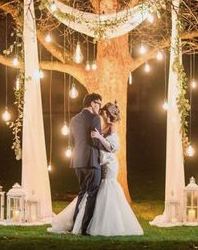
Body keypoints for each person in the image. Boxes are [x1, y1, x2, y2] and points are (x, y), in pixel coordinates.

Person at [47, 102, 143, 237]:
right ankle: (85, 222)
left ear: (107, 114)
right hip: (101, 161)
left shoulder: (111, 126)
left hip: (109, 163)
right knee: (96, 189)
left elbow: (112, 147)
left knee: (107, 187)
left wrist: (99, 137)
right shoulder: (101, 125)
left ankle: (105, 223)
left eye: (102, 112)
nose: (100, 114)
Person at [69, 93, 106, 235]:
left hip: (77, 161)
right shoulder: (95, 118)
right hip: (91, 161)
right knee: (92, 195)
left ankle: (74, 225)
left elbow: (70, 142)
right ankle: (84, 228)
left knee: (82, 192)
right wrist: (106, 146)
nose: (100, 107)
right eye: (99, 103)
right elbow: (95, 141)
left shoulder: (73, 119)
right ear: (92, 104)